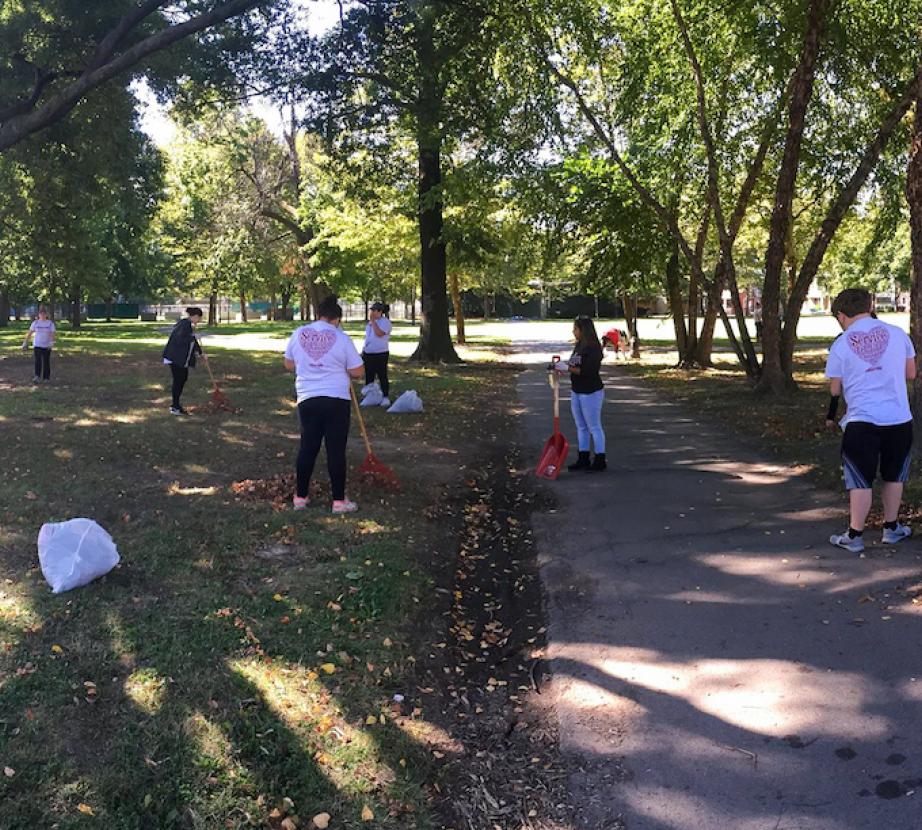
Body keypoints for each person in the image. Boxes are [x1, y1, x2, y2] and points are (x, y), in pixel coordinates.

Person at [824, 288, 915, 553]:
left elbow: (835, 389)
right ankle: (891, 528)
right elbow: (911, 373)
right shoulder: (899, 335)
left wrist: (831, 414)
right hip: (898, 417)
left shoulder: (840, 344)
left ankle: (855, 535)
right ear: (870, 306)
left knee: (860, 478)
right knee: (894, 475)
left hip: (861, 420)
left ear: (841, 315)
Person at [284, 295, 364, 514]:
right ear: (336, 319)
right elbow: (358, 371)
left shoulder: (298, 333)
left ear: (318, 315)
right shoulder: (342, 338)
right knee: (335, 450)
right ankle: (338, 501)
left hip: (308, 398)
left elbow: (289, 364)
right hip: (336, 399)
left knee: (308, 447)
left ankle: (300, 497)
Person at [558, 315, 607, 472]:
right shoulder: (579, 345)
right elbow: (574, 364)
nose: (573, 332)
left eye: (576, 329)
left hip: (591, 391)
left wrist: (566, 368)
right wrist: (561, 367)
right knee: (581, 426)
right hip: (577, 390)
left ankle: (600, 459)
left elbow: (587, 371)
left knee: (594, 426)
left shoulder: (593, 349)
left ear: (583, 330)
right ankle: (583, 457)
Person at [162, 307, 205, 415]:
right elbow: (181, 339)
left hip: (178, 358)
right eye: (199, 318)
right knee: (179, 380)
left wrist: (200, 353)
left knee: (182, 378)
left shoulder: (187, 325)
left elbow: (193, 341)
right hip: (175, 357)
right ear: (195, 316)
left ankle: (176, 405)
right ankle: (175, 407)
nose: (199, 321)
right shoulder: (184, 325)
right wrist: (192, 337)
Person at [363, 301, 393, 407]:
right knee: (369, 375)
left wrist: (374, 322)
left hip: (380, 353)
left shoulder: (385, 322)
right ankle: (370, 396)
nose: (372, 313)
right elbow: (368, 337)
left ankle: (385, 396)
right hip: (369, 353)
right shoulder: (370, 323)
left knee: (382, 375)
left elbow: (379, 333)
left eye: (374, 311)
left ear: (380, 312)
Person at [22, 306, 55, 383]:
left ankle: (46, 378)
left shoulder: (50, 323)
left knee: (46, 361)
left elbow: (52, 334)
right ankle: (37, 376)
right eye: (41, 314)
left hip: (46, 345)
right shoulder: (35, 323)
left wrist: (51, 342)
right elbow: (30, 333)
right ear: (39, 314)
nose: (43, 315)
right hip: (37, 344)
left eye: (44, 314)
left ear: (46, 315)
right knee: (38, 361)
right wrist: (25, 342)